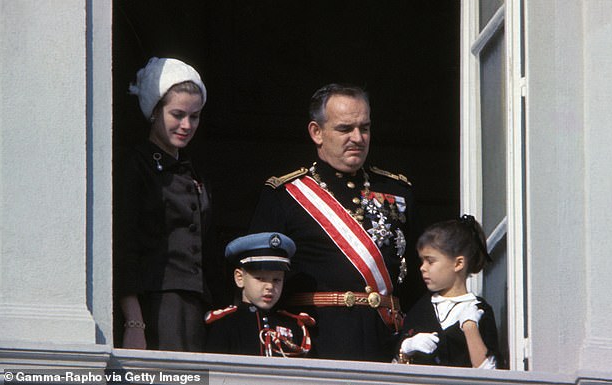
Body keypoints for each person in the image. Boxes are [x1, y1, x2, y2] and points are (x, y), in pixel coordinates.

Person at [249, 83, 422, 362]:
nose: (357, 137)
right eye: (345, 129)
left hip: (386, 342)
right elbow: (258, 279)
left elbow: (417, 281)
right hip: (319, 343)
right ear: (316, 132)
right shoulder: (286, 195)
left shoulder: (399, 192)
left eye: (364, 128)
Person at [114, 57, 219, 351]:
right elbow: (124, 246)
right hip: (155, 307)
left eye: (195, 116)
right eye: (177, 114)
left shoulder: (194, 171)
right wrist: (134, 322)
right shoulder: (135, 166)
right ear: (154, 111)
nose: (187, 125)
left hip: (197, 307)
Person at [396, 214, 500, 368]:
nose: (422, 268)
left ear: (458, 263)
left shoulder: (479, 310)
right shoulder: (420, 309)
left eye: (430, 261)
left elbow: (490, 374)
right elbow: (395, 371)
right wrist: (406, 348)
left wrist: (470, 328)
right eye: (422, 261)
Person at [205, 232, 315, 357]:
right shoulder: (226, 324)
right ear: (239, 278)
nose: (269, 286)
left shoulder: (295, 326)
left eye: (276, 280)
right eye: (260, 278)